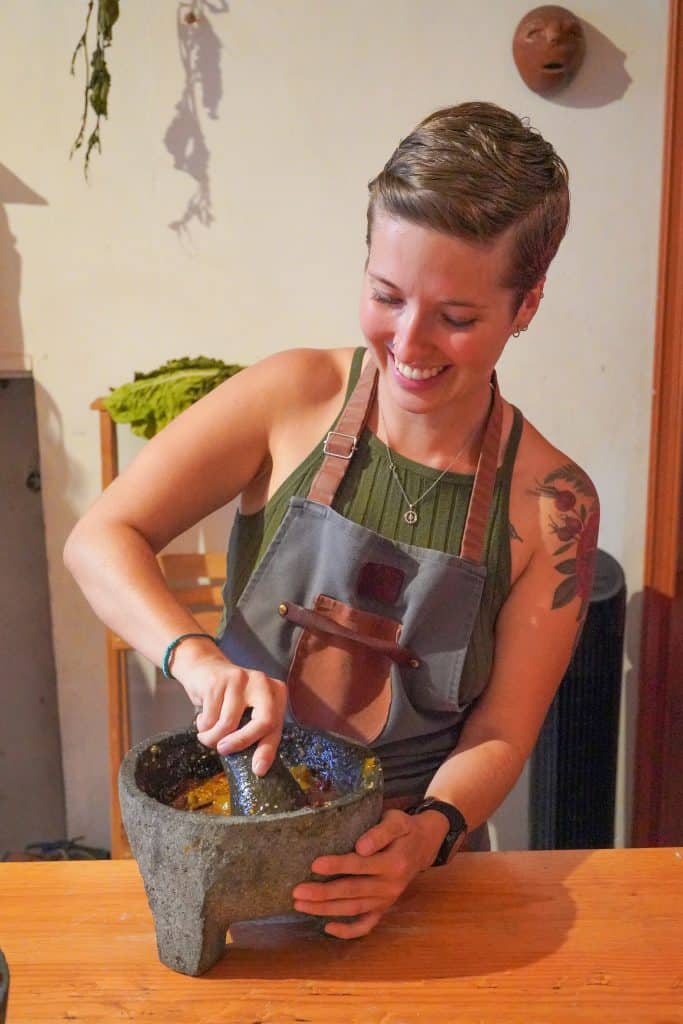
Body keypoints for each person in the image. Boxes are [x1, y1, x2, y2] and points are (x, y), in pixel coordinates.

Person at [64, 100, 599, 940]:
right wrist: (197, 658)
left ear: (525, 304)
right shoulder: (290, 397)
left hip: (413, 880)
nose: (410, 344)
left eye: (457, 318)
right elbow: (100, 538)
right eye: (386, 296)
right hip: (232, 845)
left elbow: (500, 729)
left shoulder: (553, 504)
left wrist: (425, 836)